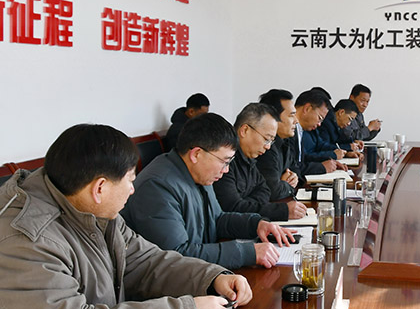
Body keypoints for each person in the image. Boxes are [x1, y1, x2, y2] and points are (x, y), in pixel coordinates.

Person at [0, 124, 252, 309]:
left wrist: (211, 278)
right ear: (100, 188)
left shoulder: (91, 207)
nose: (133, 190)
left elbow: (145, 262)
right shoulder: (26, 241)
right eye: (130, 180)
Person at [122, 113, 295, 270]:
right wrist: (247, 253)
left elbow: (217, 220)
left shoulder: (198, 173)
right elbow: (177, 255)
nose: (226, 170)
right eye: (224, 161)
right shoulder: (158, 186)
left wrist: (256, 224)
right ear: (196, 154)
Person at [213, 103, 307, 220]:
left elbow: (265, 191)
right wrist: (282, 211)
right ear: (245, 130)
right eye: (266, 139)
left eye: (271, 141)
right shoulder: (225, 161)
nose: (268, 147)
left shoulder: (249, 157)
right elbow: (232, 207)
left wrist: (246, 202)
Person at [256, 89, 301, 200]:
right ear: (273, 117)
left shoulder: (285, 141)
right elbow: (273, 191)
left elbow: (297, 170)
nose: (296, 121)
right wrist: (289, 186)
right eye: (291, 115)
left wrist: (294, 178)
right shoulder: (266, 147)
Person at [291, 89, 345, 176]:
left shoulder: (300, 130)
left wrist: (330, 162)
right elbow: (293, 168)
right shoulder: (288, 132)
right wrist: (322, 167)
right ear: (307, 109)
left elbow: (303, 159)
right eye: (319, 118)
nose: (319, 124)